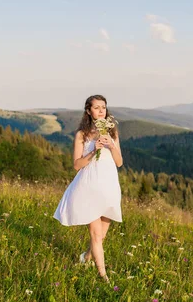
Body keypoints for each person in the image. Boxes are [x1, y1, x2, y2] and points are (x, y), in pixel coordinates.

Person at [53, 94, 123, 282]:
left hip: (109, 186)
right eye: (97, 107)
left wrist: (111, 145)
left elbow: (119, 162)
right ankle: (103, 276)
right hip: (89, 186)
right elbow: (77, 165)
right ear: (88, 111)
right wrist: (94, 150)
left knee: (101, 237)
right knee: (96, 234)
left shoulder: (112, 132)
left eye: (103, 107)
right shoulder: (81, 135)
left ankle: (86, 257)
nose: (101, 110)